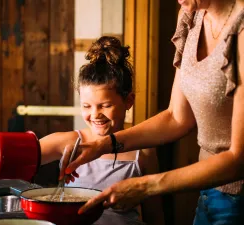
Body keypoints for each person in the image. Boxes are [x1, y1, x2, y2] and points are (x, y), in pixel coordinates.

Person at [60, 1, 244, 224]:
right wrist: (104, 145)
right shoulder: (191, 16)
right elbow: (176, 117)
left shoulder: (241, 27)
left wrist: (145, 185)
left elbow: (238, 159)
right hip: (210, 191)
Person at [39, 36, 165, 225]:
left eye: (105, 105)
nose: (95, 114)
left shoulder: (143, 151)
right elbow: (21, 156)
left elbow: (155, 215)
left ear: (128, 101)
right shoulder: (68, 143)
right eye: (86, 106)